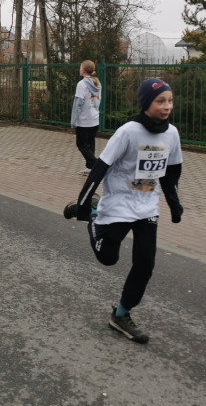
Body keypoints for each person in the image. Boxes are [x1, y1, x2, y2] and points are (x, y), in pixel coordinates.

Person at [64, 78, 183, 344]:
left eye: (170, 101)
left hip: (147, 206)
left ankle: (121, 314)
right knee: (108, 258)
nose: (167, 106)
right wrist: (84, 203)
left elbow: (170, 172)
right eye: (160, 101)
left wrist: (174, 204)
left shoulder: (171, 134)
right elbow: (100, 167)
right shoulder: (128, 132)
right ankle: (95, 215)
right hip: (118, 204)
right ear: (145, 103)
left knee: (145, 264)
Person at [71, 60, 102, 174]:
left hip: (84, 121)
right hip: (94, 119)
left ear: (83, 70)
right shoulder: (97, 83)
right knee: (90, 143)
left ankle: (96, 165)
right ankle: (90, 168)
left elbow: (78, 103)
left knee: (81, 145)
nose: (79, 69)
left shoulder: (82, 84)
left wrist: (74, 120)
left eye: (80, 67)